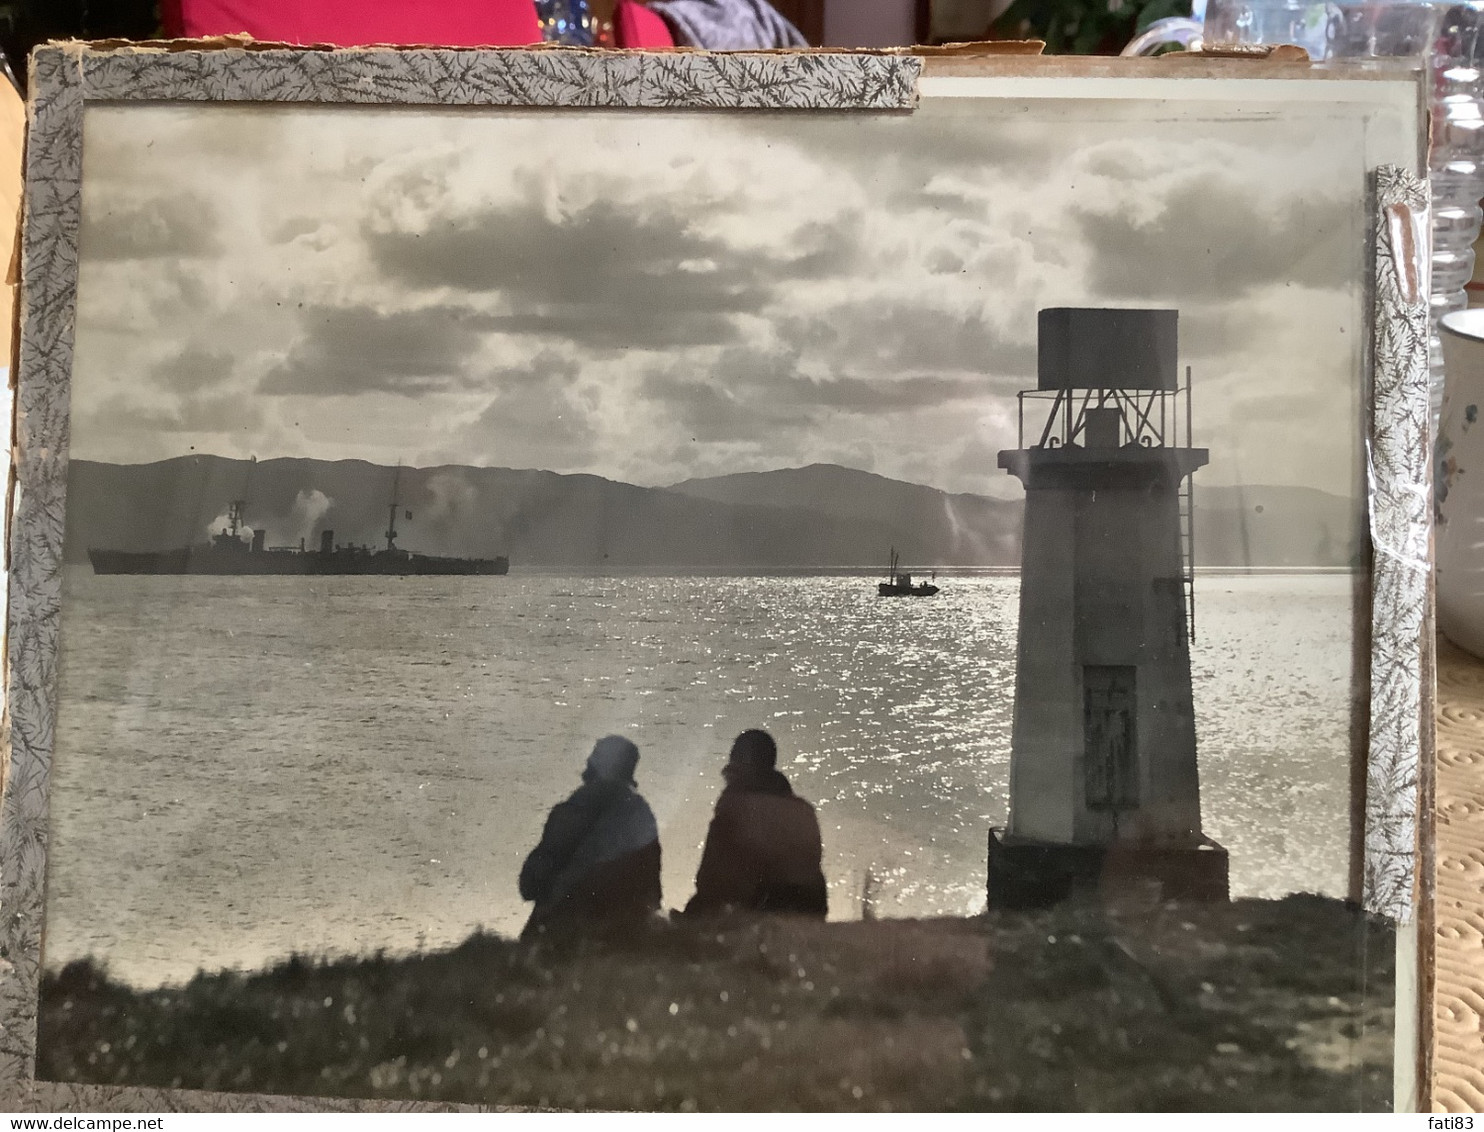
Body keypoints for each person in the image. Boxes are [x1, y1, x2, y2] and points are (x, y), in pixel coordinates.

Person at [519, 734, 662, 941]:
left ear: (597, 765)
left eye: (592, 757)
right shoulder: (642, 814)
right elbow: (653, 894)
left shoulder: (577, 807)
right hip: (626, 937)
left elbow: (532, 883)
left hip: (563, 932)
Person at [684, 729, 827, 917]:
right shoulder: (804, 810)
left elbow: (708, 881)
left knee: (698, 907)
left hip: (758, 912)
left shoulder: (735, 806)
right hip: (810, 908)